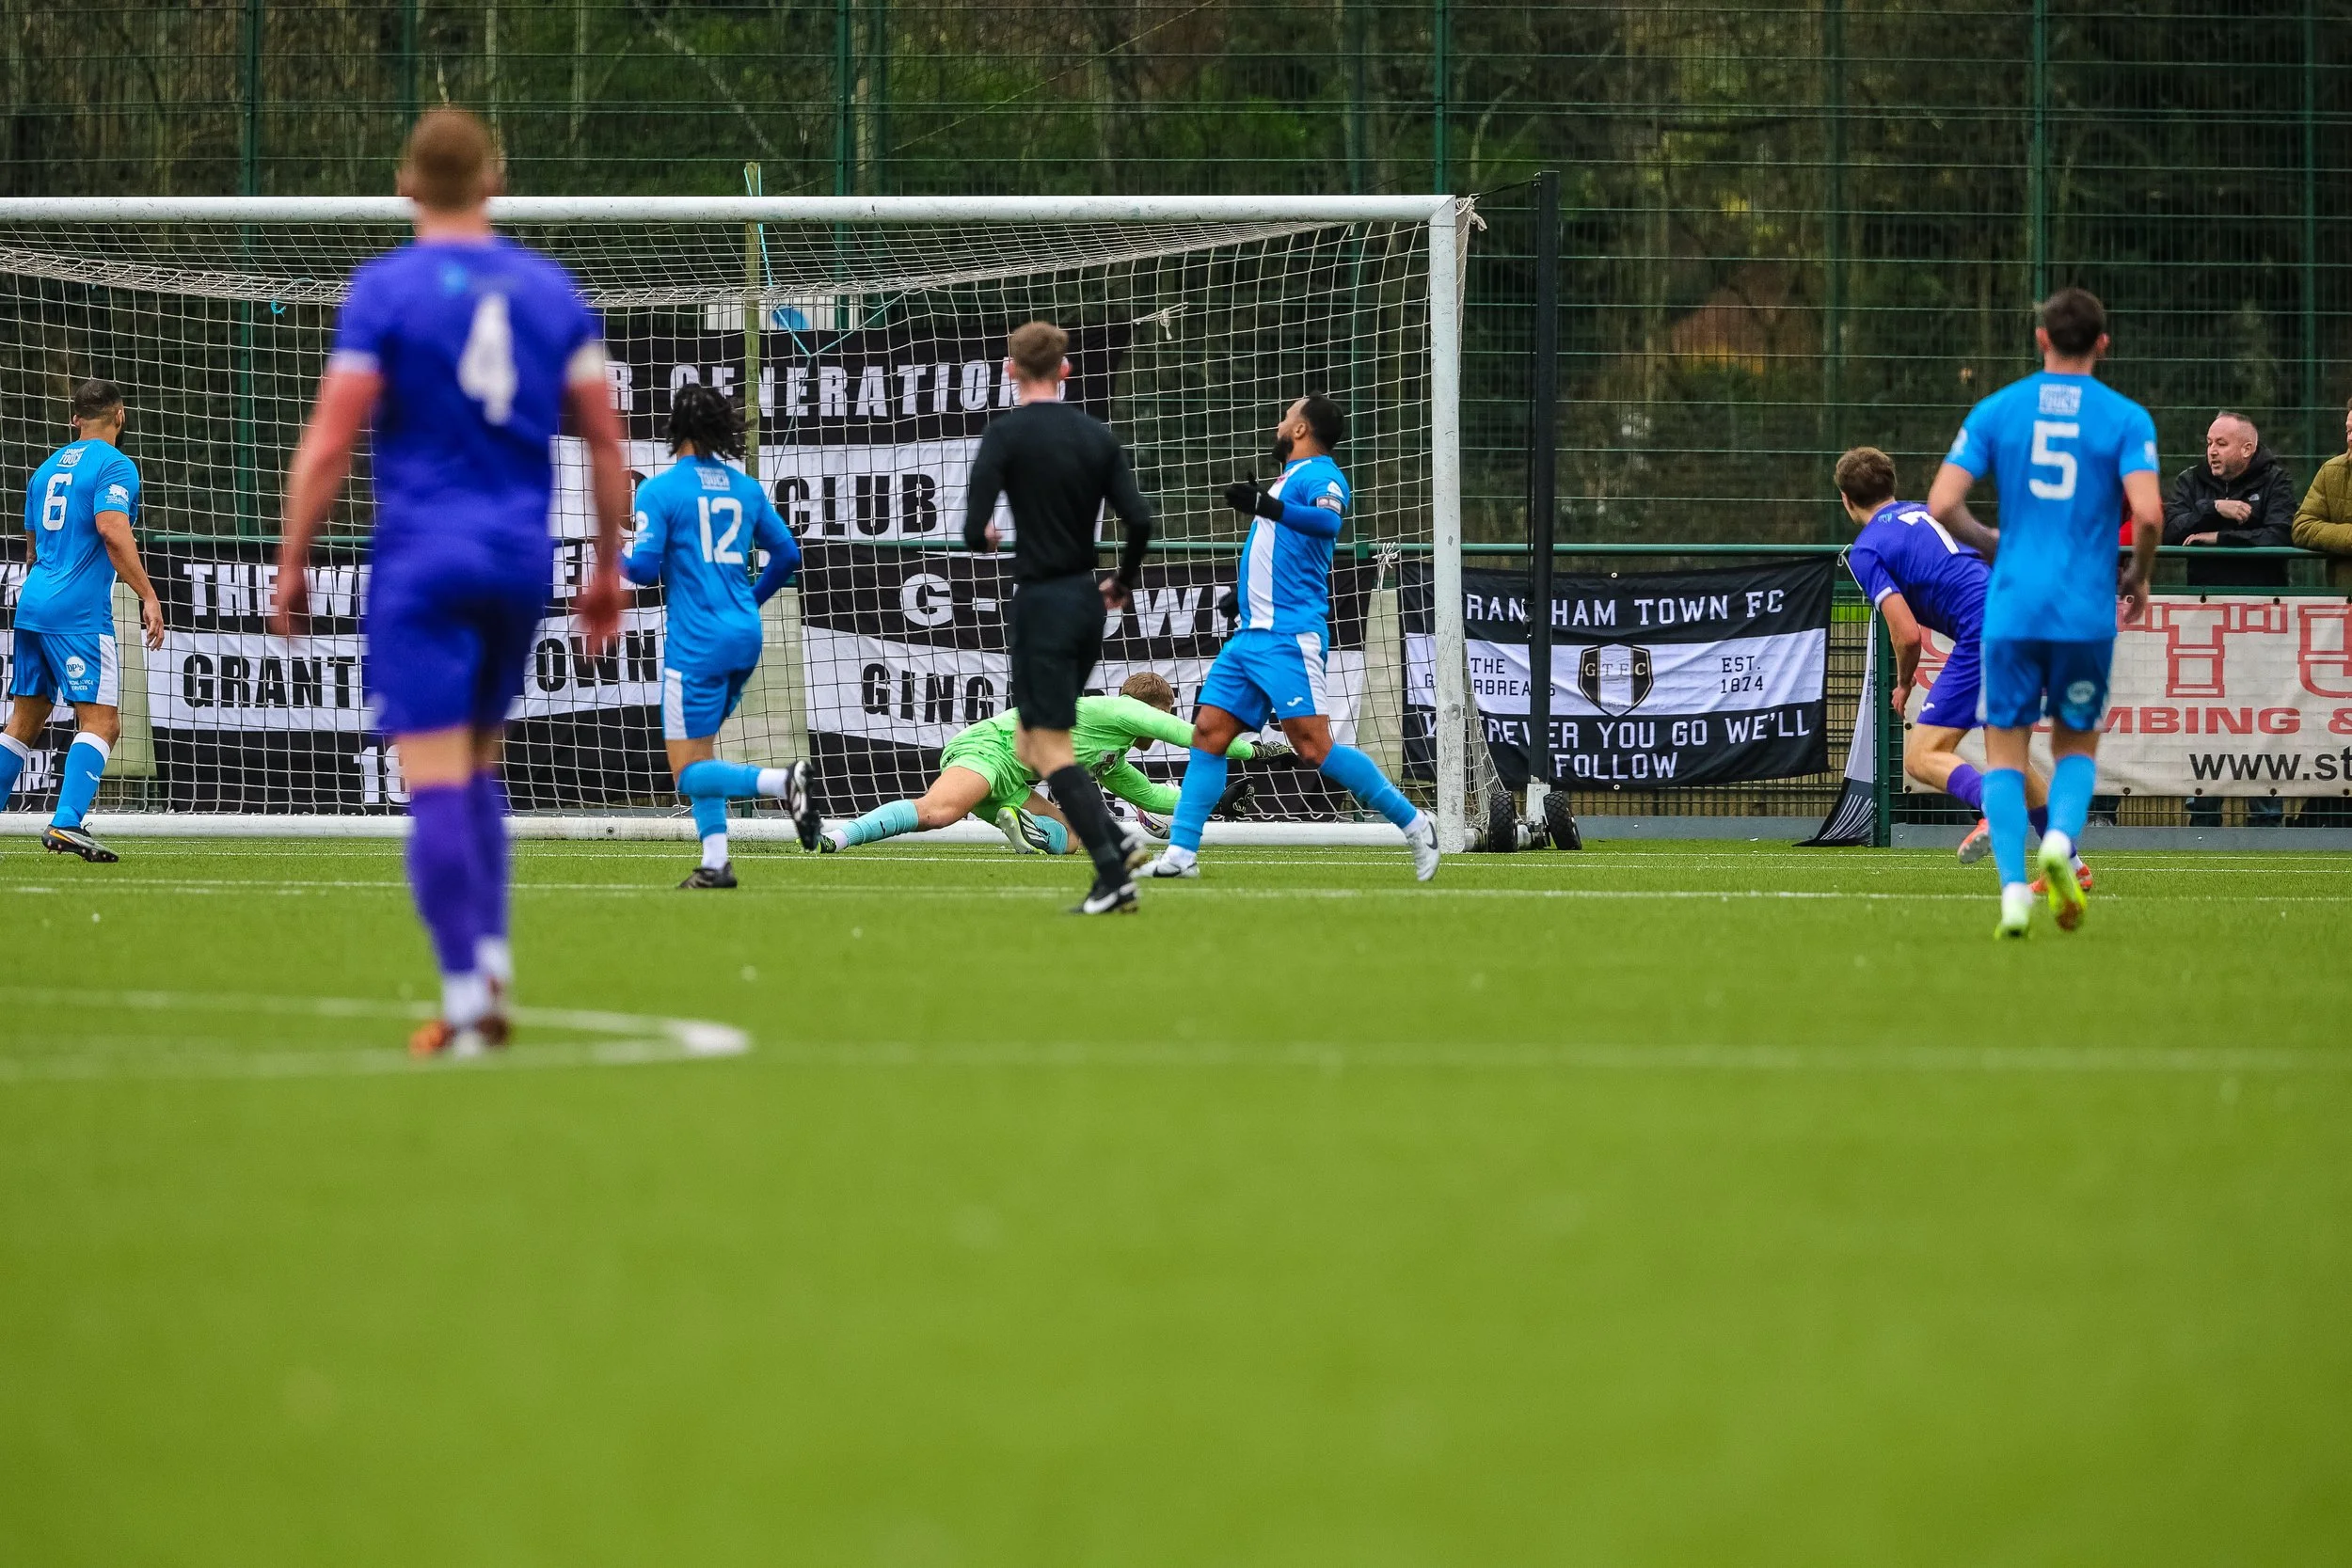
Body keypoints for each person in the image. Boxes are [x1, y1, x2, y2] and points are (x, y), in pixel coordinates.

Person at [271, 107, 631, 1055]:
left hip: (423, 561)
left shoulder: (386, 290)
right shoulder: (550, 290)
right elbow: (604, 444)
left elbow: (330, 440)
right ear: (495, 179)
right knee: (477, 765)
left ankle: (467, 998)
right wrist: (602, 568)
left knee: (429, 776)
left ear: (404, 184)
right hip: (518, 562)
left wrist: (294, 562)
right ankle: (492, 964)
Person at [1928, 287, 2161, 938]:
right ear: (2103, 345)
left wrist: (1992, 544)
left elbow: (1943, 502)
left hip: (2011, 607)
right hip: (2084, 610)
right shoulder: (2125, 418)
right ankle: (2059, 841)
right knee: (2075, 743)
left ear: (2041, 340)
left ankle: (2011, 891)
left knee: (2004, 752)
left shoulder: (1999, 408)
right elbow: (2147, 514)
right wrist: (2139, 574)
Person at [1141, 394, 1438, 881]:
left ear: (1301, 430)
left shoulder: (1323, 475)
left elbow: (1327, 523)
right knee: (1208, 737)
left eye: (1286, 416)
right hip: (1250, 636)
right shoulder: (1285, 480)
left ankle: (1414, 823)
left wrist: (1265, 505)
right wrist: (1244, 596)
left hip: (1289, 636)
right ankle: (1182, 854)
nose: (1279, 423)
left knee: (1314, 747)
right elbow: (1278, 550)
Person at [962, 319, 1156, 914]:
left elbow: (974, 529)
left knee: (1046, 747)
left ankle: (1114, 861)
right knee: (1033, 741)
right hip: (1085, 603)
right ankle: (1113, 840)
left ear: (1010, 371)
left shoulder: (1008, 435)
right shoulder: (1096, 437)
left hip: (1042, 601)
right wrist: (1121, 581)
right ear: (1066, 369)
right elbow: (1142, 521)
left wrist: (989, 536)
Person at [1835, 446, 2088, 890]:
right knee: (2011, 759)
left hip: (1985, 632)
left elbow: (1907, 633)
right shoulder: (1930, 514)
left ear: (1846, 500)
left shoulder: (1866, 550)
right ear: (1892, 485)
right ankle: (2068, 864)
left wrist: (1903, 681)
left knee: (1920, 756)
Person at [621, 384, 821, 887]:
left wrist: (609, 554)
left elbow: (643, 570)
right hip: (743, 634)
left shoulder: (661, 490)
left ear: (675, 429)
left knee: (686, 771)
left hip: (697, 642)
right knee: (702, 750)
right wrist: (747, 603)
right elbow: (789, 558)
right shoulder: (744, 487)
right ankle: (715, 863)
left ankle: (782, 781)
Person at [822, 672, 1275, 854]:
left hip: (1014, 779)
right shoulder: (1119, 711)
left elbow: (1150, 795)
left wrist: (1211, 800)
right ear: (1152, 713)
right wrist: (1257, 750)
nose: (1166, 725)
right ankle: (838, 837)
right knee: (939, 812)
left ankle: (1019, 823)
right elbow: (1195, 737)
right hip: (992, 748)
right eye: (1166, 714)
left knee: (1073, 839)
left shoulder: (1110, 755)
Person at [0, 379, 167, 861]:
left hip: (33, 603)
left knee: (23, 722)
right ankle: (67, 823)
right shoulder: (115, 465)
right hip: (77, 614)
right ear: (120, 416)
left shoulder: (45, 470)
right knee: (103, 722)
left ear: (75, 419)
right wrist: (148, 595)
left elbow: (32, 547)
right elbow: (112, 530)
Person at [2163, 411, 2295, 590]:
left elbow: (2281, 536)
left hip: (2264, 598)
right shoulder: (2190, 479)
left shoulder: (2276, 481)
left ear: (2246, 449)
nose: (2212, 451)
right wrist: (2213, 508)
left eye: (2221, 444)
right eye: (2209, 443)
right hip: (2203, 596)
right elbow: (2170, 532)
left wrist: (2219, 538)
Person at [2291, 395, 2352, 591]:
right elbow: (2302, 527)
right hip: (2345, 600)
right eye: (2348, 430)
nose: (2350, 437)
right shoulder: (2332, 471)